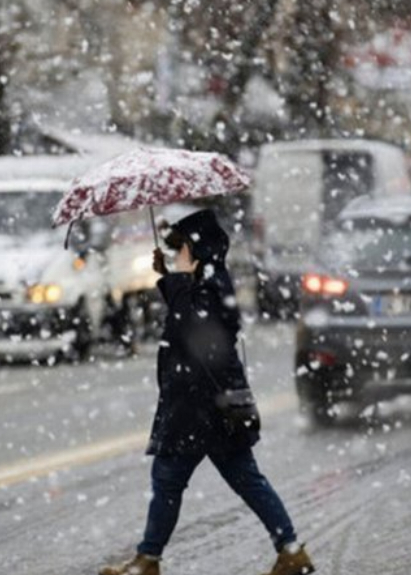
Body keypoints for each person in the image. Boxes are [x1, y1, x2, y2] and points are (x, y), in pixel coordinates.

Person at [99, 210, 315, 575]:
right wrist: (170, 277)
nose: (177, 254)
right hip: (210, 405)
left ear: (196, 249)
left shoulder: (212, 284)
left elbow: (192, 328)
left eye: (180, 248)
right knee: (241, 480)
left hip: (201, 407)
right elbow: (192, 318)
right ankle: (290, 550)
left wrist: (177, 279)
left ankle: (148, 561)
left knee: (169, 480)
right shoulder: (209, 281)